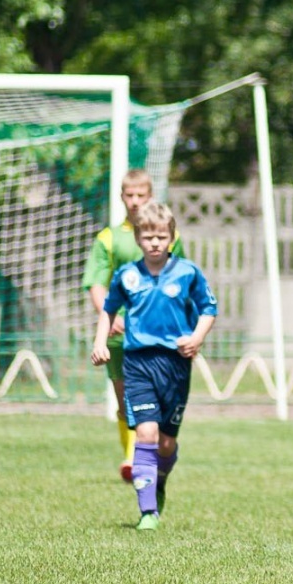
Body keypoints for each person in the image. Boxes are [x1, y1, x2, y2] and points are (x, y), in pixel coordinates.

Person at [91, 201, 216, 531]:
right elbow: (108, 309)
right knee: (146, 433)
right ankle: (147, 511)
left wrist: (197, 337)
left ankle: (158, 482)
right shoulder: (127, 275)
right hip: (138, 364)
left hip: (175, 365)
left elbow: (208, 308)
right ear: (138, 239)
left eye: (161, 237)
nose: (155, 243)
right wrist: (100, 342)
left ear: (171, 238)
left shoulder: (187, 272)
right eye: (148, 237)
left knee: (166, 443)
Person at [82, 168, 185, 482]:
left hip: (158, 336)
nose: (135, 201)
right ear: (121, 197)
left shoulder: (170, 237)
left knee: (154, 405)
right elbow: (96, 283)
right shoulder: (109, 238)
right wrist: (109, 316)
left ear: (151, 196)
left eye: (141, 195)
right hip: (120, 336)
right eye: (130, 195)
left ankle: (140, 459)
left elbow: (180, 281)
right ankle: (135, 457)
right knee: (126, 403)